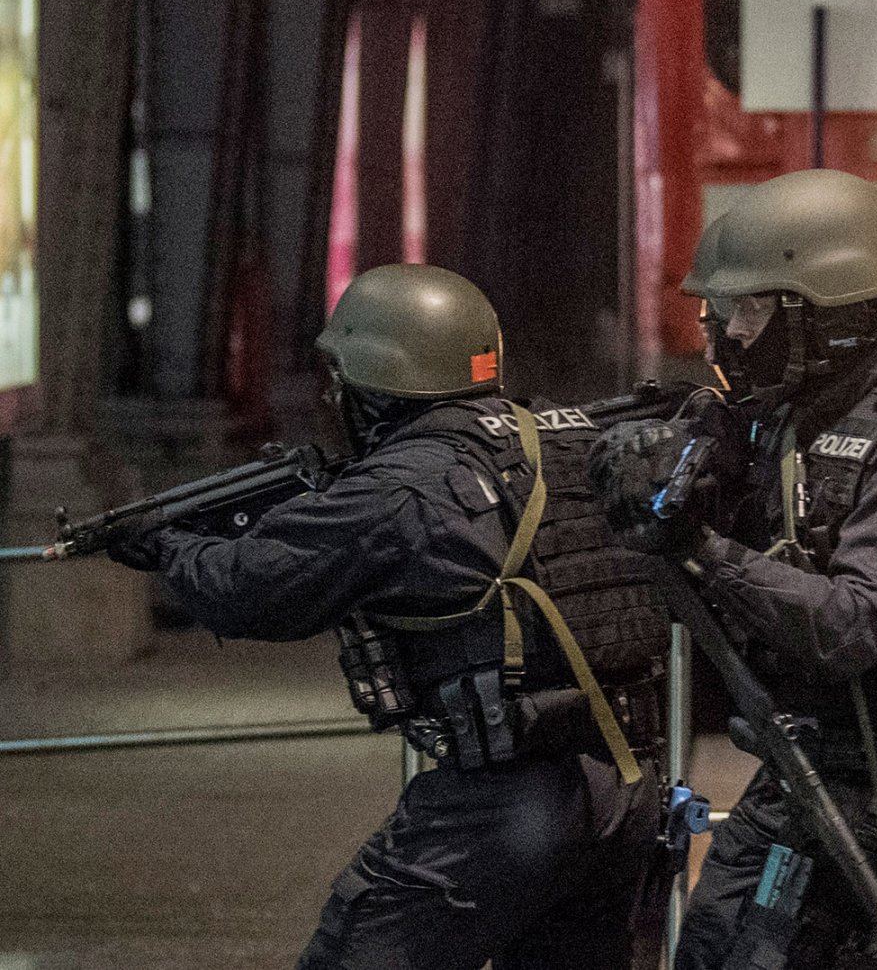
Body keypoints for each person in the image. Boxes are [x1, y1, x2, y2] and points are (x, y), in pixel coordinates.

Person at [106, 264, 675, 970]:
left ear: (379, 381)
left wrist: (164, 543)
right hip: (624, 791)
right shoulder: (567, 437)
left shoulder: (404, 486)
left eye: (342, 378)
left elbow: (245, 589)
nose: (332, 395)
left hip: (504, 804)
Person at [588, 169, 877, 969]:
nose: (725, 334)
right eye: (719, 312)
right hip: (812, 769)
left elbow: (855, 622)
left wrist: (703, 549)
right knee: (712, 949)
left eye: (750, 310)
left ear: (830, 320)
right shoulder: (790, 417)